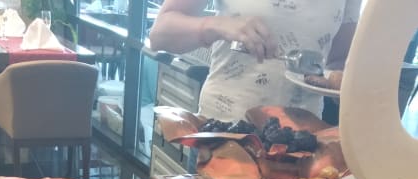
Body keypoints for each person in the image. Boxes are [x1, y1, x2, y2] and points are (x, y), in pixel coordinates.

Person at [149, 0, 361, 121]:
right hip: (225, 135)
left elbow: (338, 62)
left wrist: (347, 87)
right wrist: (216, 25)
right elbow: (160, 34)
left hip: (302, 142)